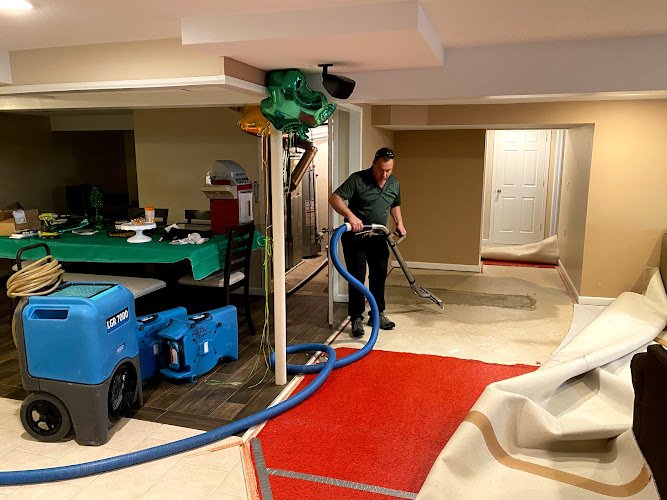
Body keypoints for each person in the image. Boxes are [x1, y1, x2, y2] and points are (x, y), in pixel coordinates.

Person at [329, 147, 406, 337]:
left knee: (379, 276)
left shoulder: (394, 182)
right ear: (373, 164)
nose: (384, 174)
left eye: (388, 170)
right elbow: (334, 198)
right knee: (357, 277)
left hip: (379, 237)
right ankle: (356, 317)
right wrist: (351, 216)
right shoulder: (358, 179)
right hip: (356, 238)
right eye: (381, 170)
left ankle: (377, 314)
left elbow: (394, 203)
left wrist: (399, 223)